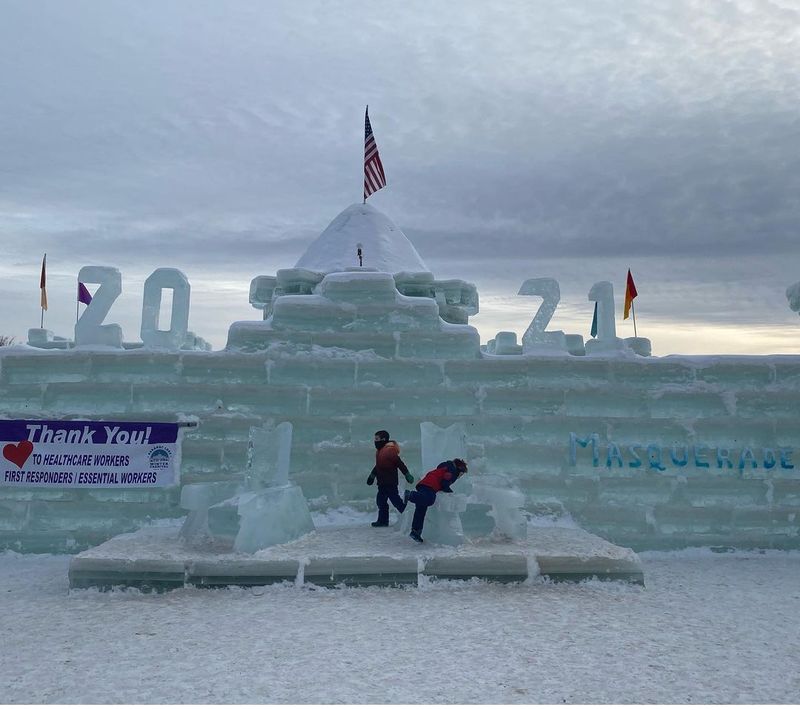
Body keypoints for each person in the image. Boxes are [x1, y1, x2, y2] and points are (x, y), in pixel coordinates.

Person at [404, 458, 468, 542]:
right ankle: (410, 495)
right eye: (462, 474)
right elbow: (445, 482)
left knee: (421, 509)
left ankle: (416, 532)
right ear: (460, 470)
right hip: (430, 485)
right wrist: (449, 491)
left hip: (424, 483)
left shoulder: (446, 467)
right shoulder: (452, 471)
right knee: (430, 499)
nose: (461, 476)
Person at [366, 430, 414, 527]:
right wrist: (372, 475)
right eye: (375, 439)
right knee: (381, 501)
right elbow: (378, 465)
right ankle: (383, 521)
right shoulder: (380, 451)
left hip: (390, 482)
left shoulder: (389, 451)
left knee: (396, 501)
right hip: (382, 482)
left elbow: (399, 463)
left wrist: (407, 474)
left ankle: (409, 518)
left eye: (377, 439)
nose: (375, 441)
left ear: (383, 439)